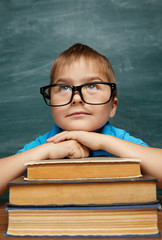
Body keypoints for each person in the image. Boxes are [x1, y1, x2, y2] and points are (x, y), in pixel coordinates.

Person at [0, 43, 162, 196]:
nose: (76, 98)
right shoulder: (46, 144)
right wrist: (46, 151)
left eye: (92, 86)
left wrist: (104, 142)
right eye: (64, 87)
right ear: (51, 104)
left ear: (112, 106)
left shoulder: (122, 141)